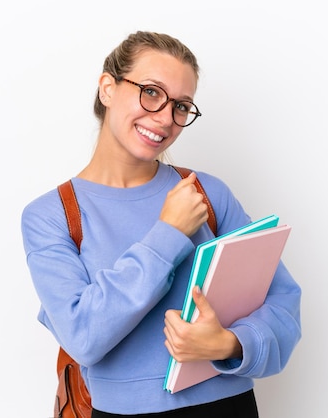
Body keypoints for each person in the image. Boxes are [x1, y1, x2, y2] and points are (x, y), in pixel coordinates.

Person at [21, 31, 302, 417]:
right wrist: (168, 234)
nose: (166, 118)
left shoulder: (205, 193)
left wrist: (228, 344)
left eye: (181, 106)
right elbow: (83, 337)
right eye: (151, 92)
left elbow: (283, 301)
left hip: (228, 405)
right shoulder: (52, 215)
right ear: (107, 87)